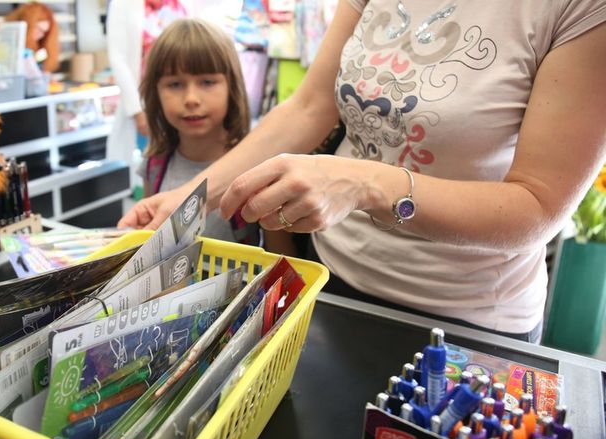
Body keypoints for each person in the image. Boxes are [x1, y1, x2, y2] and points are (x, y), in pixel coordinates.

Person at [119, 0, 606, 343]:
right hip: (333, 281)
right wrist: (191, 195)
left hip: (465, 320)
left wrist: (363, 184)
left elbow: (537, 207)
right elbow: (310, 106)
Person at [137, 18, 293, 250]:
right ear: (155, 92)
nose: (191, 99)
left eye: (207, 82)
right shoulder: (154, 164)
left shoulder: (258, 167)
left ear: (232, 87)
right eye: (175, 84)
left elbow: (281, 255)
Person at [105, 0, 188, 181]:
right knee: (149, 169)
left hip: (179, 99)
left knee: (180, 166)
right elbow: (118, 59)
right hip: (145, 103)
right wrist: (137, 111)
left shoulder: (179, 5)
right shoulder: (124, 5)